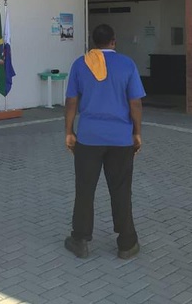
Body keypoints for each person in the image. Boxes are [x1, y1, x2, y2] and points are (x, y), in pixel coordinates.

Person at [63, 24, 146, 260]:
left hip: (89, 137)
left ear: (93, 41)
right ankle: (127, 243)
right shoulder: (127, 64)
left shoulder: (80, 64)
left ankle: (80, 239)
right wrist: (137, 132)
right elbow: (135, 103)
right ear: (113, 41)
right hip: (121, 139)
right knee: (121, 190)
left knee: (85, 189)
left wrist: (69, 131)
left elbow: (71, 101)